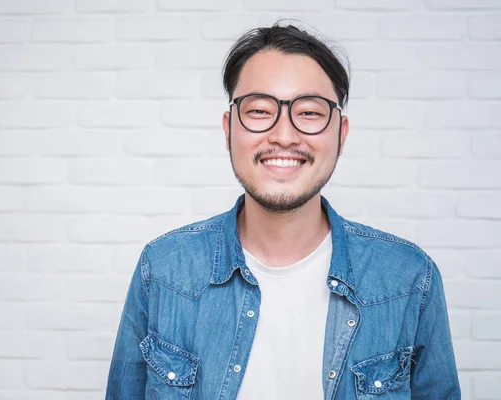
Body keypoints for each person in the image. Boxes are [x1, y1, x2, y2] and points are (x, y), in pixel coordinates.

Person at [106, 23, 460, 399]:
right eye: (259, 110)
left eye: (309, 113)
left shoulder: (408, 279)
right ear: (228, 130)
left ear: (341, 133)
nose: (284, 136)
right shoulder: (163, 269)